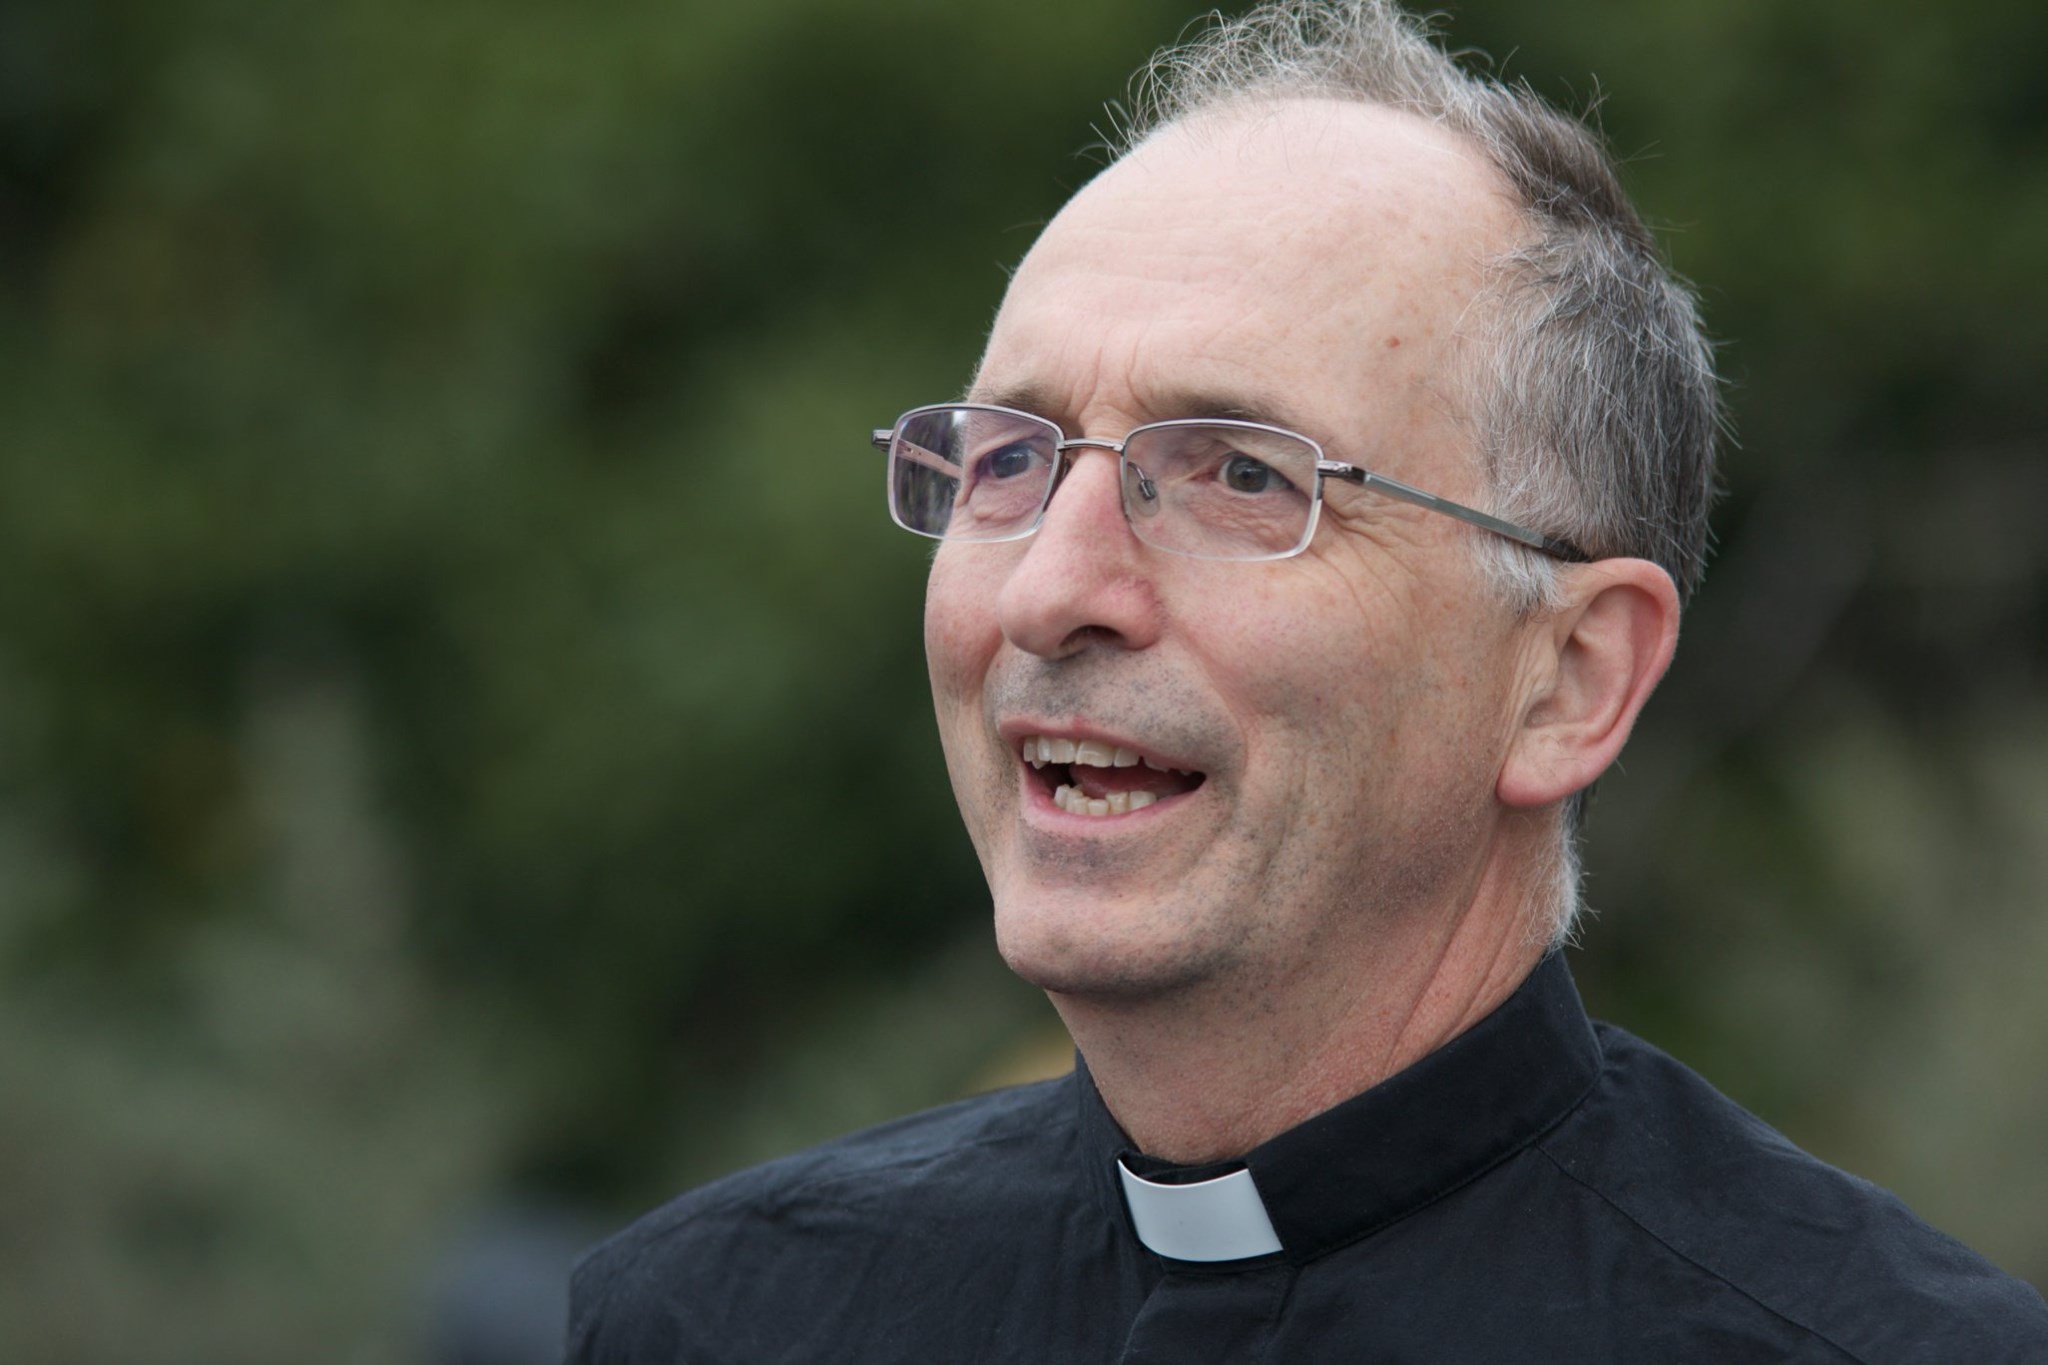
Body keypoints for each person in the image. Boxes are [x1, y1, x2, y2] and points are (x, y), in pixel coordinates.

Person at [566, 3, 2048, 1359]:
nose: (1050, 587)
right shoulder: (718, 1319)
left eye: (1237, 474)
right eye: (1011, 457)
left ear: (1567, 680)